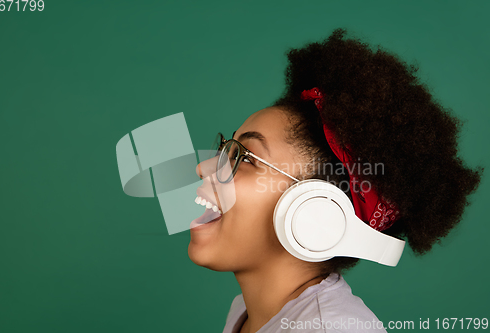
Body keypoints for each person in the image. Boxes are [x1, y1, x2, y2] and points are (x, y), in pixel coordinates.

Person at [188, 28, 482, 333]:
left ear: (312, 213)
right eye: (226, 148)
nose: (204, 167)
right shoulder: (248, 312)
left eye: (246, 157)